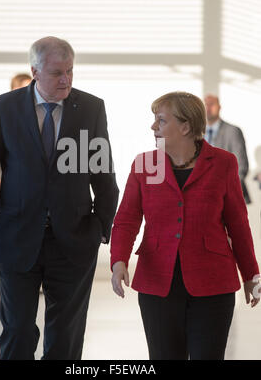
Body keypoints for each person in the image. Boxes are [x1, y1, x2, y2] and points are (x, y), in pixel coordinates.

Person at [0, 36, 119, 360]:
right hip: (17, 238)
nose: (66, 80)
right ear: (34, 70)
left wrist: (101, 228)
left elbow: (104, 174)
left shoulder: (91, 108)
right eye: (57, 73)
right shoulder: (6, 108)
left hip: (75, 241)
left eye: (70, 72)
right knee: (18, 332)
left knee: (65, 339)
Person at [110, 91, 260, 360]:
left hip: (213, 285)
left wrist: (251, 275)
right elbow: (126, 220)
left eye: (161, 120)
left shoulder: (224, 163)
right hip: (157, 285)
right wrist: (118, 260)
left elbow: (238, 224)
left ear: (186, 126)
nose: (153, 126)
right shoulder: (145, 164)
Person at [204, 94, 251, 204]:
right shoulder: (196, 132)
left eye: (211, 104)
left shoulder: (233, 131)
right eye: (205, 105)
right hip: (203, 196)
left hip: (228, 196)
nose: (208, 108)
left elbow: (241, 166)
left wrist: (226, 192)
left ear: (219, 107)